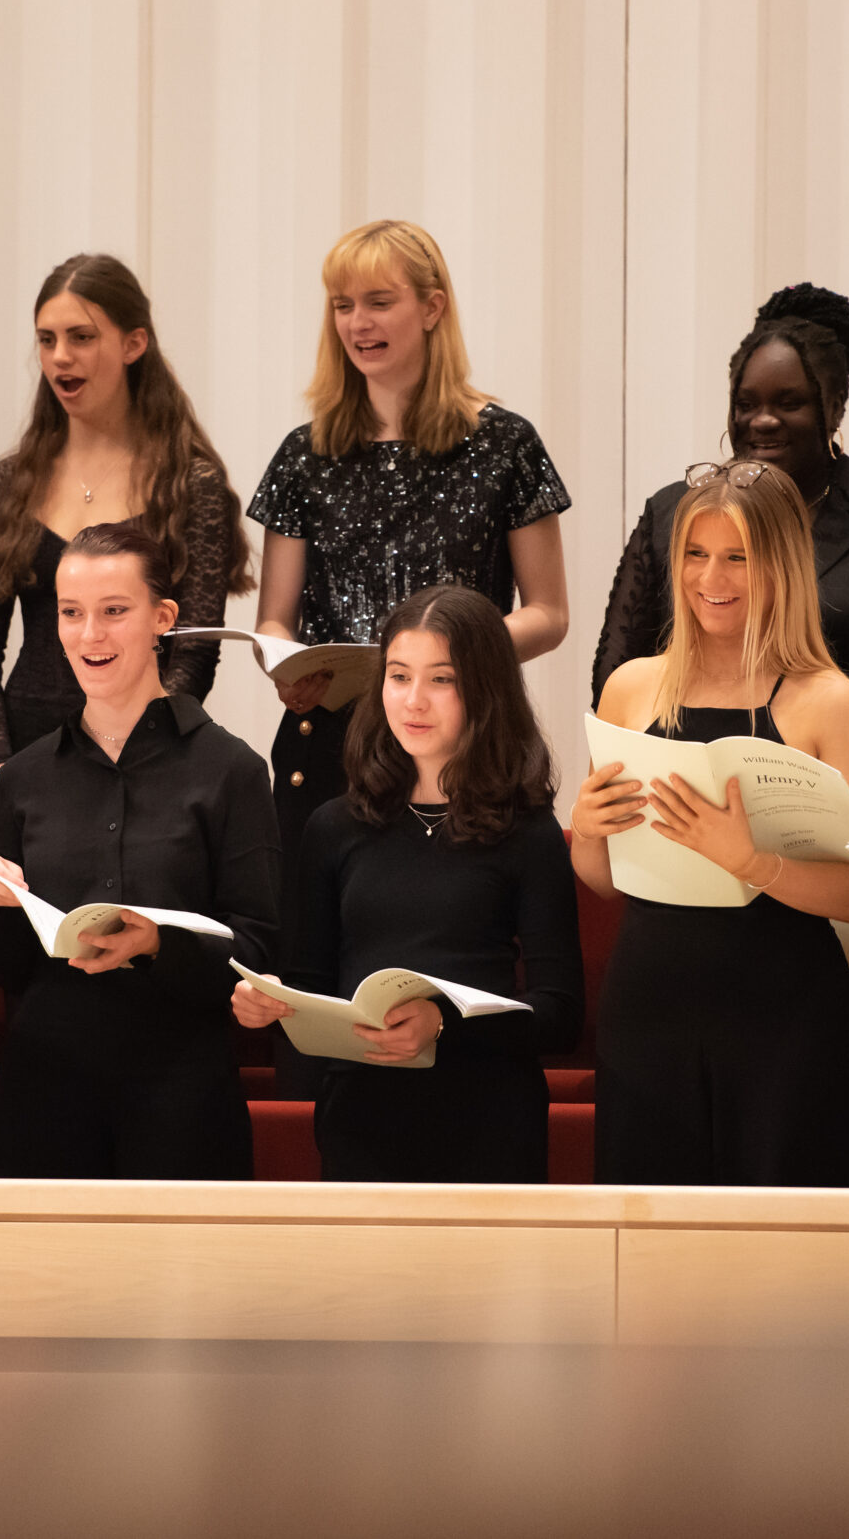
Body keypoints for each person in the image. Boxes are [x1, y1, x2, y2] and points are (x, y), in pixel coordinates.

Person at [591, 283, 849, 1101]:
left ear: (831, 406)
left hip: (826, 849)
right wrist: (595, 820)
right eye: (746, 402)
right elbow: (619, 659)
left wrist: (833, 775)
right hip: (665, 951)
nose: (763, 419)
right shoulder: (671, 515)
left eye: (789, 401)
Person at [246, 220, 569, 1075]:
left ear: (432, 307)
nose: (359, 321)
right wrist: (288, 663)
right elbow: (275, 618)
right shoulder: (306, 452)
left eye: (379, 300)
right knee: (323, 967)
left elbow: (550, 612)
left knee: (450, 950)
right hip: (333, 742)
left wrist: (453, 660)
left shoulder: (505, 443)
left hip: (462, 741)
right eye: (343, 304)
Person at [574, 462, 849, 1185]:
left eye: (738, 556)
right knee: (653, 1244)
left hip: (782, 1008)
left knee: (783, 1254)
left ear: (780, 566)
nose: (711, 577)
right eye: (696, 553)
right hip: (651, 999)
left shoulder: (832, 702)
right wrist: (588, 827)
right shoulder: (631, 686)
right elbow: (603, 879)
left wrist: (751, 861)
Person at [232, 586, 582, 1184]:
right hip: (362, 1114)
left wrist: (443, 1022)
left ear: (486, 689)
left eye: (441, 679)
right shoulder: (333, 825)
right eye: (398, 676)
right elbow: (311, 983)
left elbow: (560, 1015)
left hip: (489, 1116)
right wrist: (272, 1002)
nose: (414, 701)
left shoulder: (528, 831)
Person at [0, 521, 277, 1180]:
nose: (90, 634)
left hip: (181, 1099)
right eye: (72, 613)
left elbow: (259, 946)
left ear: (162, 617)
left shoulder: (232, 771)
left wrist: (160, 943)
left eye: (114, 611)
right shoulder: (23, 776)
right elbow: (9, 969)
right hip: (45, 1101)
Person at [0, 254, 251, 819]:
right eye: (46, 339)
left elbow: (193, 650)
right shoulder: (11, 482)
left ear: (133, 344)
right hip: (24, 758)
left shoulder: (191, 484)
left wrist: (139, 755)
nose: (60, 356)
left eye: (81, 337)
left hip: (142, 766)